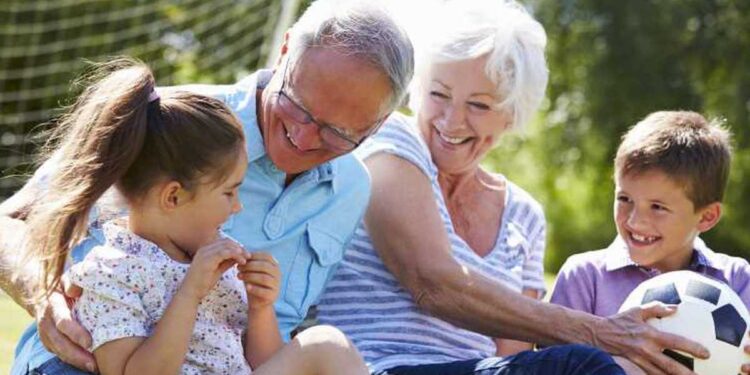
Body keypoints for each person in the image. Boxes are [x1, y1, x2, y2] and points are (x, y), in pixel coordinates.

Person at [1, 0, 414, 373]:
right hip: (92, 362)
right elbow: (9, 221)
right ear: (285, 51)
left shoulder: (352, 189)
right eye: (299, 106)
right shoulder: (167, 122)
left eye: (338, 132)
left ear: (377, 126)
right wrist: (44, 293)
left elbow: (283, 339)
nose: (304, 139)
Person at [316, 1, 707, 374]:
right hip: (379, 365)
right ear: (418, 90)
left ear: (511, 115)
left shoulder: (524, 215)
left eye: (479, 106)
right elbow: (430, 282)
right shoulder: (391, 143)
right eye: (439, 95)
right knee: (585, 364)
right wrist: (599, 332)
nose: (451, 122)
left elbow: (514, 358)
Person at [549, 110, 750, 374]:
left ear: (707, 217)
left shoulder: (737, 279)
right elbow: (553, 365)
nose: (635, 221)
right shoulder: (585, 278)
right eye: (624, 199)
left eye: (657, 207)